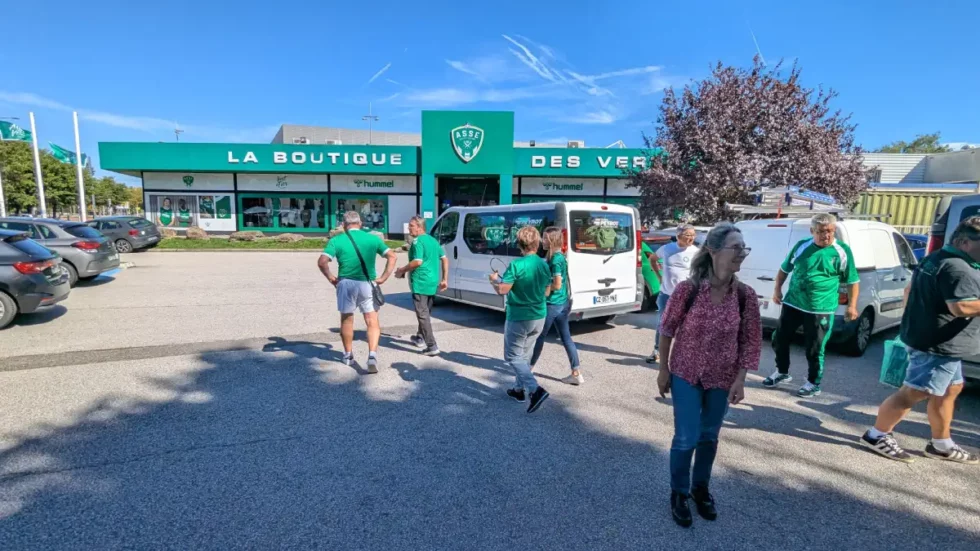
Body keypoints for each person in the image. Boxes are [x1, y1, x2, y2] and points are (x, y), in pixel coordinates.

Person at [656, 223, 761, 528]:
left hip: (722, 377)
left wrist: (741, 379)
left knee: (709, 437)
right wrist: (663, 370)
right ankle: (679, 492)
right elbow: (666, 329)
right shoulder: (687, 290)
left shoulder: (745, 295)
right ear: (713, 251)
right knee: (686, 437)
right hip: (686, 373)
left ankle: (700, 488)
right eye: (735, 248)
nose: (741, 254)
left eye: (744, 248)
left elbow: (750, 341)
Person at [861, 216, 980, 464]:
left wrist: (912, 322)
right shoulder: (958, 268)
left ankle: (941, 443)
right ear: (964, 241)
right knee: (913, 393)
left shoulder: (934, 257)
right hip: (938, 346)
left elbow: (909, 291)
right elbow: (960, 307)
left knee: (950, 389)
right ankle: (876, 435)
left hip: (938, 342)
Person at [764, 213, 859, 397]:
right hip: (793, 303)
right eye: (822, 232)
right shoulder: (802, 246)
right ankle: (782, 372)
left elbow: (853, 281)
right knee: (779, 338)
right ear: (812, 231)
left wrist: (852, 306)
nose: (827, 236)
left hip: (820, 308)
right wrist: (777, 289)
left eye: (831, 231)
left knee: (815, 348)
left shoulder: (842, 251)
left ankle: (813, 383)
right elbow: (784, 269)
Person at [317, 211, 397, 373]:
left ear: (344, 225)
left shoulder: (337, 240)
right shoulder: (373, 239)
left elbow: (322, 262)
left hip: (346, 283)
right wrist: (383, 278)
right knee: (371, 320)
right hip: (367, 283)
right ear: (360, 223)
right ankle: (372, 355)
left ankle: (348, 355)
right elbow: (392, 256)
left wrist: (332, 279)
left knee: (347, 319)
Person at [490, 226, 552, 413]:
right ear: (537, 242)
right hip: (539, 315)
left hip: (519, 316)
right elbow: (548, 291)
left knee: (512, 356)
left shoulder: (516, 265)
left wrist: (493, 280)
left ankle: (535, 390)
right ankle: (519, 390)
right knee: (525, 355)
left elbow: (503, 290)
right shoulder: (543, 264)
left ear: (520, 244)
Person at [530, 227, 582, 385]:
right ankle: (576, 373)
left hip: (553, 303)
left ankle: (528, 368)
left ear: (552, 240)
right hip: (563, 303)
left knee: (539, 336)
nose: (542, 241)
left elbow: (557, 284)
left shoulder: (555, 259)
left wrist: (542, 287)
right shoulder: (559, 256)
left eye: (545, 238)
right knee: (566, 337)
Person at [395, 216, 449, 356]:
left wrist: (402, 270)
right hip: (432, 282)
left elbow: (417, 261)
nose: (409, 228)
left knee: (422, 314)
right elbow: (444, 259)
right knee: (425, 312)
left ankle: (431, 346)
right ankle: (420, 337)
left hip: (420, 281)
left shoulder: (417, 241)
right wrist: (444, 279)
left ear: (420, 227)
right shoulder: (433, 240)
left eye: (412, 225)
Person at [647, 225, 699, 363]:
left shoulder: (696, 252)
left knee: (686, 326)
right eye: (688, 235)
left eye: (693, 235)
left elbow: (702, 271)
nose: (691, 238)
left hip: (686, 297)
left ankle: (684, 355)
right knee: (662, 324)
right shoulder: (667, 248)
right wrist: (658, 276)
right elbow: (652, 259)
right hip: (666, 295)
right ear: (678, 236)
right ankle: (657, 351)